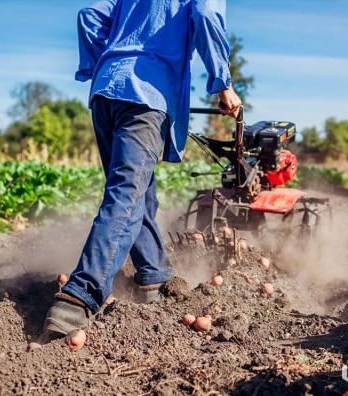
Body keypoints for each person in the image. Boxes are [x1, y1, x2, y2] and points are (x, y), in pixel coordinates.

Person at [41, 0, 242, 337]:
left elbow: (89, 16)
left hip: (105, 92)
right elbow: (207, 14)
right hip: (147, 94)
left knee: (138, 192)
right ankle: (79, 297)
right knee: (127, 196)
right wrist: (223, 85)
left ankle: (153, 275)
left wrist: (101, 64)